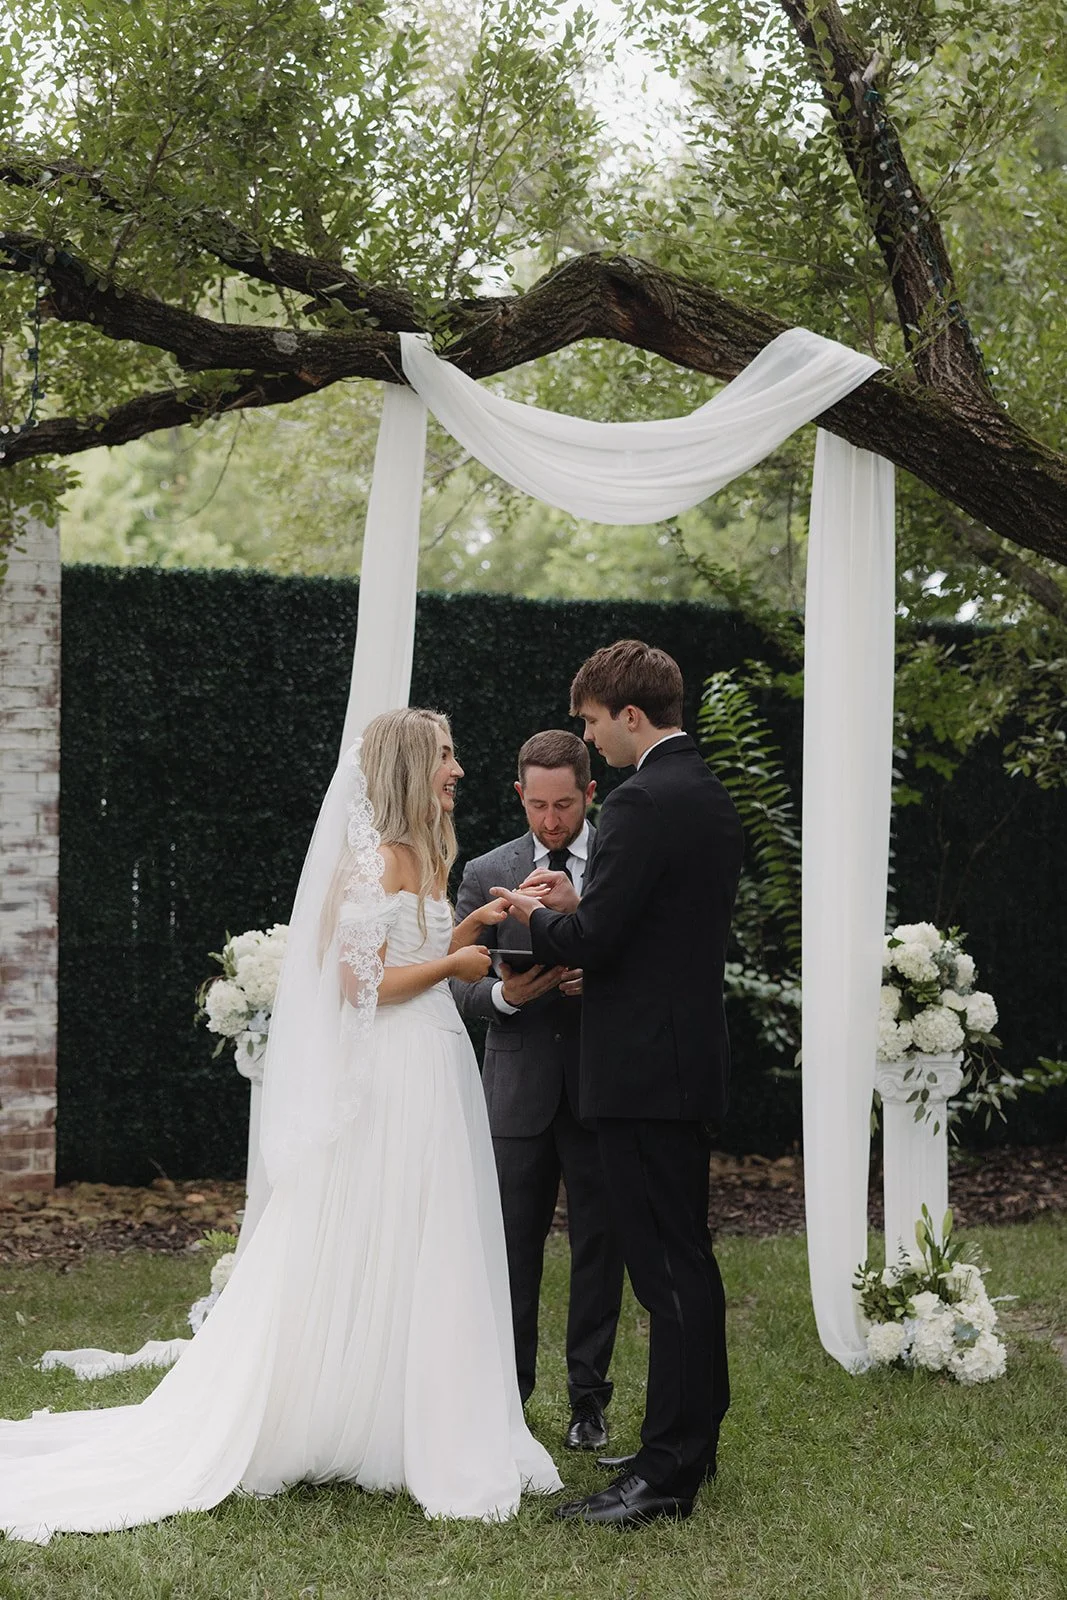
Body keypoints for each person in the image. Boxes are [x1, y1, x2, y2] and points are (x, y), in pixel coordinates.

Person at [0, 708, 561, 1541]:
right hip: (398, 1073)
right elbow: (354, 983)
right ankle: (355, 1411)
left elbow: (408, 951)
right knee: (391, 1228)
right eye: (446, 755)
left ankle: (400, 1408)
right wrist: (456, 962)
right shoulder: (377, 860)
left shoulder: (422, 855)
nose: (458, 769)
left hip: (432, 1064)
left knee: (423, 1235)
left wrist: (473, 925)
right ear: (412, 764)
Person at [492, 641, 744, 1530]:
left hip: (640, 1072)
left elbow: (599, 942)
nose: (589, 739)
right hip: (681, 1061)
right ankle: (689, 1442)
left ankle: (666, 1475)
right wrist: (583, 917)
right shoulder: (706, 793)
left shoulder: (641, 801)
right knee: (685, 1261)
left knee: (664, 1271)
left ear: (629, 716)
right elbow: (652, 930)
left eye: (592, 723)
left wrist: (538, 916)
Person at [451, 730, 624, 1454]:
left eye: (564, 805)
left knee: (598, 1250)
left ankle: (589, 1403)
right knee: (510, 1252)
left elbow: (645, 952)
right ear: (519, 795)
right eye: (537, 805)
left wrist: (602, 975)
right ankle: (507, 1399)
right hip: (515, 1091)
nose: (550, 821)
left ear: (590, 794)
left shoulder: (621, 860)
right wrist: (508, 995)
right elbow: (456, 986)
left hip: (598, 1086)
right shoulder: (486, 870)